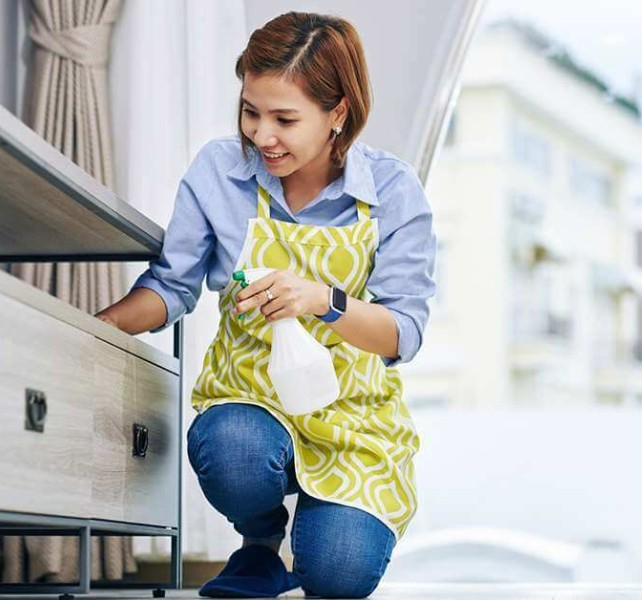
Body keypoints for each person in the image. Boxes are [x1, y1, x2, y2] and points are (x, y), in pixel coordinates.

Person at [95, 10, 435, 600]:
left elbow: (403, 332)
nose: (261, 135)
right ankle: (261, 543)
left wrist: (323, 301)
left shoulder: (393, 191)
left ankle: (312, 544)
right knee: (237, 451)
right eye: (251, 111)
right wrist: (94, 328)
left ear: (338, 114)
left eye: (284, 119)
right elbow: (171, 286)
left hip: (349, 416)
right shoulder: (219, 172)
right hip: (248, 398)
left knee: (339, 575)